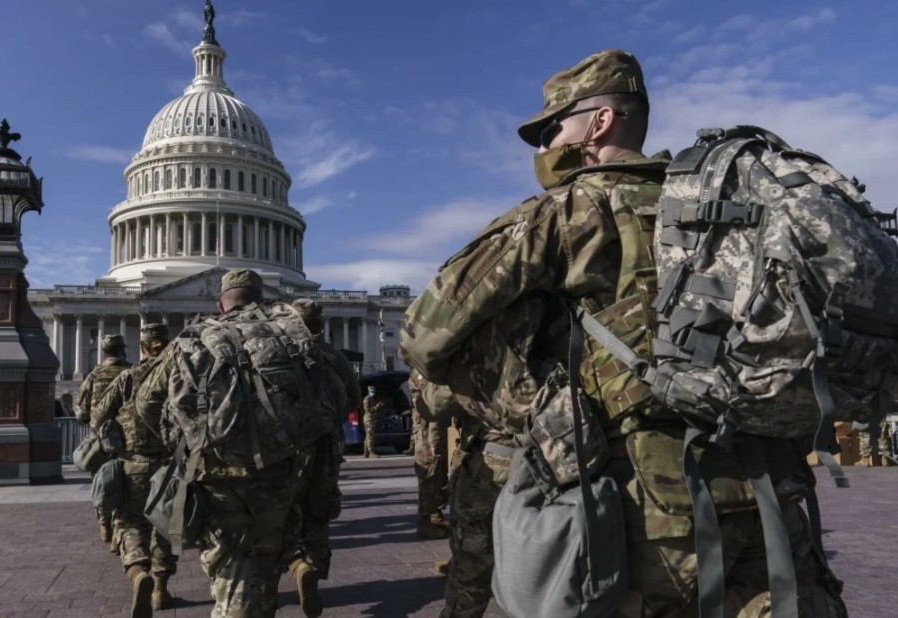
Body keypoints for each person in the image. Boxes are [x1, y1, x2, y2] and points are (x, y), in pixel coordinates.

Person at [400, 49, 847, 618]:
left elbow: (424, 332)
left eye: (550, 128)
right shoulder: (728, 208)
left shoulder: (568, 210)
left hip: (653, 502)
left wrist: (529, 406)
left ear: (600, 122)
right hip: (771, 487)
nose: (542, 147)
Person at [162, 268, 306, 617]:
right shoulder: (289, 338)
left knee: (231, 574)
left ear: (220, 303)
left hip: (218, 473)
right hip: (278, 471)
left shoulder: (195, 338)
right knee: (267, 567)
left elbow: (162, 410)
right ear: (262, 298)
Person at [283, 298, 361, 617]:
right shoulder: (333, 356)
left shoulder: (276, 353)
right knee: (319, 511)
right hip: (327, 448)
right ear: (321, 322)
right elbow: (354, 398)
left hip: (289, 448)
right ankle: (313, 567)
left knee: (284, 512)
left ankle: (295, 563)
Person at [92, 324, 176, 617]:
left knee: (131, 523)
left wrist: (116, 438)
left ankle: (138, 571)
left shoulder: (129, 376)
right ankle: (161, 590)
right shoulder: (184, 376)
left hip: (134, 462)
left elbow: (98, 415)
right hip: (171, 465)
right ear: (167, 344)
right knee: (166, 527)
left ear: (142, 348)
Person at [75, 334, 131, 545]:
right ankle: (120, 527)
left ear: (104, 351)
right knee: (126, 484)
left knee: (101, 482)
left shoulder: (94, 375)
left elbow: (81, 412)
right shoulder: (132, 372)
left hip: (100, 441)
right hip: (127, 438)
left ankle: (104, 521)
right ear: (122, 350)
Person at [408, 370, 451, 540]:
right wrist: (435, 441)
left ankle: (435, 516)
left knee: (437, 473)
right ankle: (425, 522)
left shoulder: (424, 368)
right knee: (429, 474)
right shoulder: (424, 371)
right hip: (427, 432)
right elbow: (434, 409)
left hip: (431, 429)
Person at [362, 386, 382, 458]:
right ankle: (371, 452)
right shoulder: (367, 399)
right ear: (369, 391)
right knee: (370, 435)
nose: (373, 392)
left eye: (374, 391)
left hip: (371, 419)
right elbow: (368, 410)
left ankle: (366, 452)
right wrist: (376, 406)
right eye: (372, 391)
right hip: (369, 419)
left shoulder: (372, 399)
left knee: (368, 435)